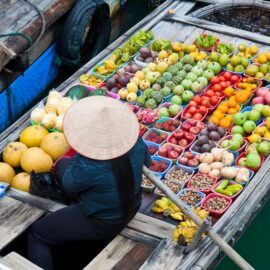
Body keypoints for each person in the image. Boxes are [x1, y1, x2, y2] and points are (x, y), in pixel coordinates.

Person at [28, 96, 151, 270]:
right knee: (63, 166)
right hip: (133, 204)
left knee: (37, 234)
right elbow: (147, 161)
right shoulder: (135, 141)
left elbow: (70, 185)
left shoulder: (89, 163)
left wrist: (82, 157)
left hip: (104, 221)